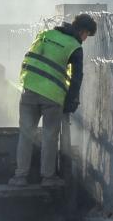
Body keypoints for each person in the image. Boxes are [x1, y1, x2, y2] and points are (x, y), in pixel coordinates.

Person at [16, 14, 99, 183]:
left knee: (25, 135)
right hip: (52, 96)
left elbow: (29, 58)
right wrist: (71, 101)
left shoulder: (46, 35)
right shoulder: (74, 46)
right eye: (87, 35)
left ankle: (20, 176)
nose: (85, 39)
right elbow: (76, 77)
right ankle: (48, 177)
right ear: (82, 31)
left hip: (29, 90)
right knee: (49, 136)